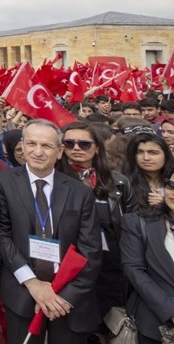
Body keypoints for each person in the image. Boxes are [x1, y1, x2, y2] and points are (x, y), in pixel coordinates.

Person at [0, 119, 103, 344]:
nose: (37, 152)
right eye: (31, 143)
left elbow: (91, 251)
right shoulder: (1, 182)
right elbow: (2, 236)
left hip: (67, 300)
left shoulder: (79, 193)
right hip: (22, 291)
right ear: (22, 146)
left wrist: (62, 297)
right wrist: (33, 283)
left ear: (60, 151)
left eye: (46, 146)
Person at [60, 120, 134, 329]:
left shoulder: (117, 181)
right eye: (69, 143)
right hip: (71, 265)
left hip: (110, 265)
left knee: (111, 324)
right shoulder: (54, 179)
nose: (76, 148)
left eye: (84, 144)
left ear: (97, 148)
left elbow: (129, 221)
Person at [120, 173, 174, 343]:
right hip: (154, 324)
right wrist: (169, 311)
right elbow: (134, 270)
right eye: (171, 185)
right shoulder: (138, 222)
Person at [124, 133, 174, 218]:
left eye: (153, 153)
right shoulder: (125, 182)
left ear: (165, 154)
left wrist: (166, 205)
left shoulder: (172, 178)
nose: (146, 158)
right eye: (140, 152)